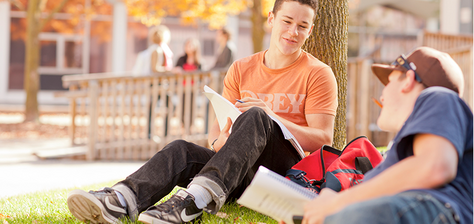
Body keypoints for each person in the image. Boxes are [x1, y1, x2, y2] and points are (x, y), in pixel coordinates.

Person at [66, 0, 338, 223]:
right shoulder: (241, 68)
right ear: (271, 19)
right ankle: (120, 199)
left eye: (302, 26)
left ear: (310, 31)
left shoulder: (318, 74)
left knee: (257, 117)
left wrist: (271, 116)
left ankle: (194, 201)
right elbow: (216, 139)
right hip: (235, 173)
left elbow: (323, 139)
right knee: (181, 150)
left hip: (281, 175)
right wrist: (229, 138)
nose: (293, 32)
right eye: (287, 22)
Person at [298, 47, 472, 224]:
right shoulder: (398, 156)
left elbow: (435, 166)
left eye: (389, 82)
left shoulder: (440, 97)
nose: (382, 96)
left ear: (408, 80)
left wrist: (338, 204)